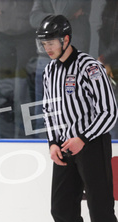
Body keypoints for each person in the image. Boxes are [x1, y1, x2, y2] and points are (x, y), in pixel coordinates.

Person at [37, 15, 118, 222]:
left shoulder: (90, 67)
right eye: (44, 43)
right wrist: (52, 143)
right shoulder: (49, 71)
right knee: (61, 208)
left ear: (66, 39)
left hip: (92, 144)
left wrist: (82, 138)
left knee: (100, 208)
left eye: (51, 42)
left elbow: (109, 111)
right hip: (64, 148)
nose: (47, 48)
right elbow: (49, 111)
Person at [29, 0, 91, 136]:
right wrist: (61, 18)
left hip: (70, 57)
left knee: (69, 110)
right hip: (45, 57)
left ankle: (67, 150)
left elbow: (64, 10)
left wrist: (49, 17)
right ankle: (43, 148)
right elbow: (33, 18)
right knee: (42, 112)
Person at [0, 0, 35, 138]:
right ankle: (5, 136)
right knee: (5, 89)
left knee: (26, 89)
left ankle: (27, 135)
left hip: (28, 34)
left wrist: (32, 18)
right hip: (3, 36)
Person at [98, 0, 118, 138]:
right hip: (112, 65)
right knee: (111, 112)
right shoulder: (110, 6)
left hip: (111, 60)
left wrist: (104, 58)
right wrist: (105, 61)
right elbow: (103, 34)